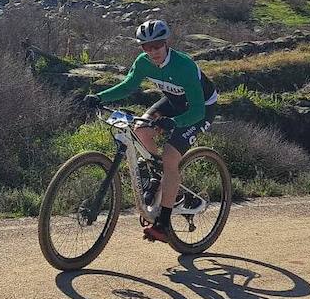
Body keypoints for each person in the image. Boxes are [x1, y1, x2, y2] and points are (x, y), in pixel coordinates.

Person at [85, 19, 218, 244]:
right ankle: (162, 179)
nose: (152, 51)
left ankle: (164, 223)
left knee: (170, 156)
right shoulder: (143, 62)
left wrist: (174, 122)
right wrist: (100, 97)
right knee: (141, 129)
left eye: (156, 45)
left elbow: (196, 110)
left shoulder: (184, 66)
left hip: (201, 109)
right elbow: (128, 86)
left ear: (166, 43)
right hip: (173, 101)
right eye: (146, 47)